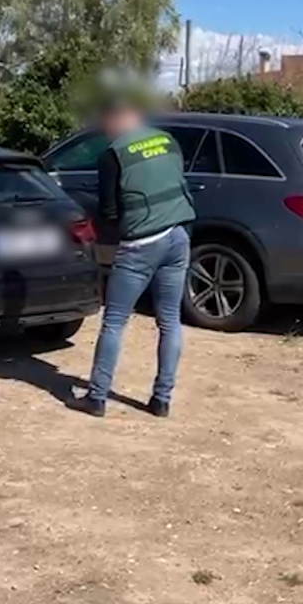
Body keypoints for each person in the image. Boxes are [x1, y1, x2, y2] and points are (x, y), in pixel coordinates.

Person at [69, 97, 196, 418]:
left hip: (142, 243)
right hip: (178, 236)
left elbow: (110, 213)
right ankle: (161, 399)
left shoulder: (112, 156)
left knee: (113, 321)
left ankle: (97, 397)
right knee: (169, 321)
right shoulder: (167, 141)